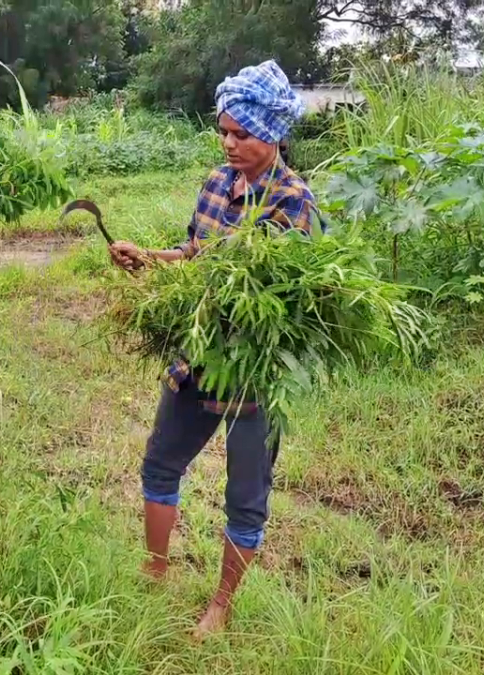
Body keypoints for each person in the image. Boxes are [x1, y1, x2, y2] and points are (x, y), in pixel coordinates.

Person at [108, 60, 320, 638]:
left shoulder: (293, 203)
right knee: (159, 463)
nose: (228, 143)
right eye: (223, 131)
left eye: (241, 134)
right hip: (197, 354)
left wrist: (201, 287)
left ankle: (220, 608)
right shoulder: (215, 184)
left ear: (271, 134)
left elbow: (279, 299)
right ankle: (153, 572)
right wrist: (150, 260)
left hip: (255, 367)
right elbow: (195, 253)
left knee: (245, 496)